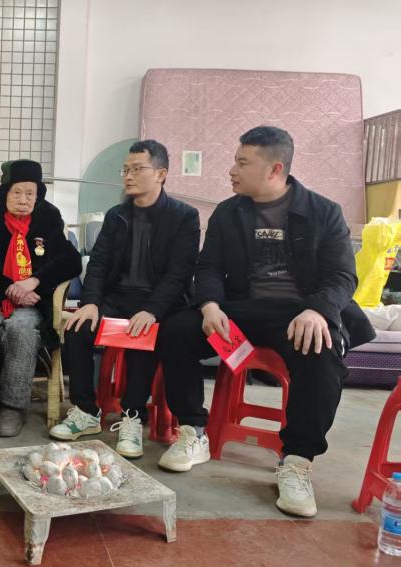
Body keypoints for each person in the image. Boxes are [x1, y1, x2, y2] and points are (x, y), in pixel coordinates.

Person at [157, 125, 374, 517]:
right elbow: (209, 267)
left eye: (242, 163)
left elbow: (342, 276)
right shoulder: (228, 212)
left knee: (322, 352)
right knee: (177, 330)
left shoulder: (323, 212)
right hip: (240, 309)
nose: (232, 170)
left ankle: (297, 460)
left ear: (275, 169)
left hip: (298, 313)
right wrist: (210, 305)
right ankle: (193, 431)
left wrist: (317, 310)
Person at [49, 140, 200, 459]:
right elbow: (99, 263)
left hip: (161, 303)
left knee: (141, 335)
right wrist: (90, 302)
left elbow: (179, 273)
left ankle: (132, 417)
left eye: (137, 169)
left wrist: (152, 310)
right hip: (118, 298)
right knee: (78, 327)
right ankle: (86, 412)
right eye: (125, 170)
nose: (128, 176)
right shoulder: (117, 215)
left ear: (161, 174)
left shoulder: (184, 217)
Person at [0, 159, 82, 437]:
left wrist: (35, 281)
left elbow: (70, 260)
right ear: (5, 193)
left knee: (20, 329)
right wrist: (10, 288)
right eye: (17, 192)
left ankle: (12, 406)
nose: (23, 200)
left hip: (34, 299)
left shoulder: (48, 217)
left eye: (30, 193)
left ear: (38, 194)